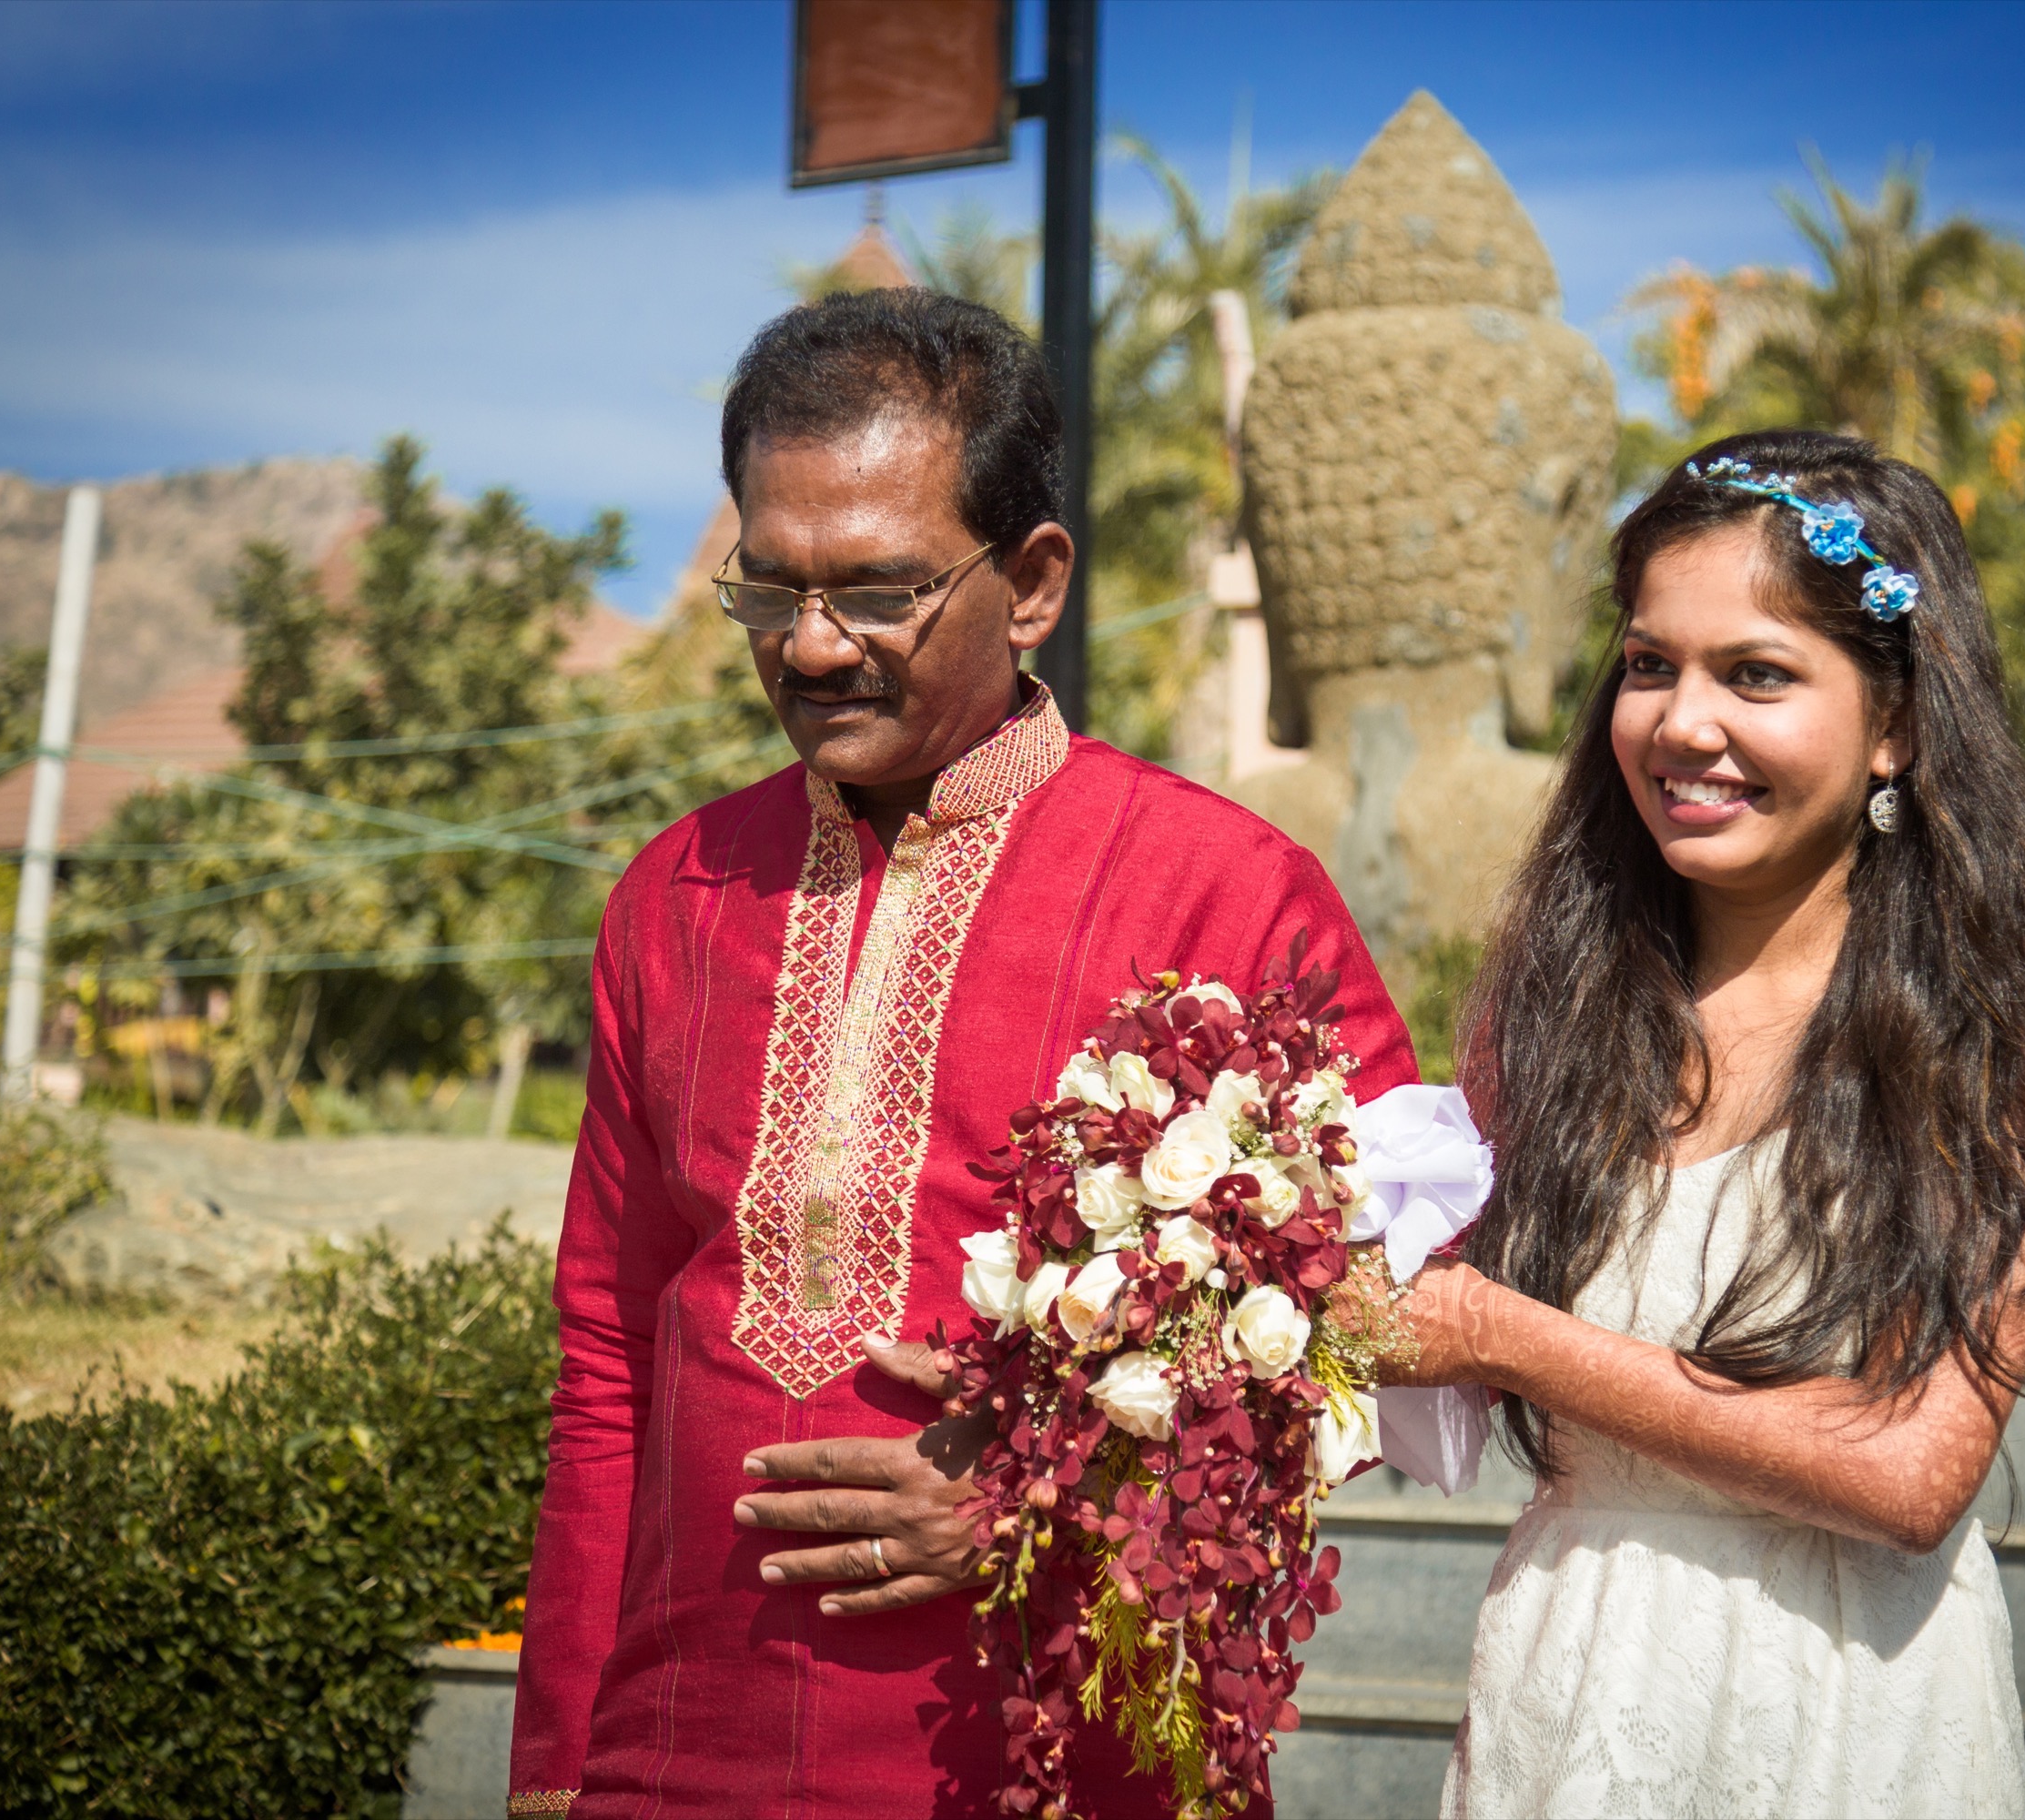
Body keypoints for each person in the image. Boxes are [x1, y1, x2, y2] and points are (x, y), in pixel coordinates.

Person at [508, 288, 1416, 1817]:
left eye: (876, 592)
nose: (808, 645)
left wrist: (1048, 1492)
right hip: (680, 1756)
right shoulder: (674, 899)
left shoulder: (1223, 892)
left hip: (1066, 1762)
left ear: (1037, 580)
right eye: (767, 589)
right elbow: (607, 1360)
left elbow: (1379, 1339)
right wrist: (553, 1771)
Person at [1381, 430, 2025, 1817]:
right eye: (1650, 665)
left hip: (1843, 1706)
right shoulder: (1551, 1019)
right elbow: (1404, 1348)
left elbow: (1905, 1468)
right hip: (1567, 1679)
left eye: (1756, 674)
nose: (1682, 723)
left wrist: (1490, 1332)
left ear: (1898, 724)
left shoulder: (1989, 1062)